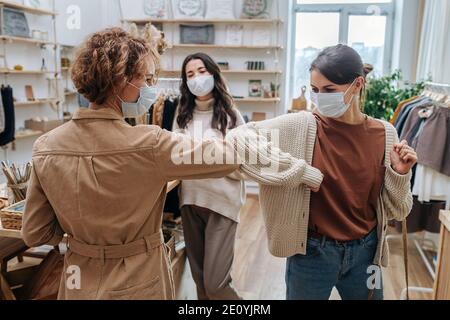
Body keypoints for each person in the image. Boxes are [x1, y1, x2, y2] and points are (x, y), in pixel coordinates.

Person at [21, 28, 241, 300]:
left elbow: (35, 232)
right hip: (137, 279)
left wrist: (83, 241)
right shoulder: (150, 143)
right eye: (145, 79)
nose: (150, 88)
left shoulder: (46, 147)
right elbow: (228, 157)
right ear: (122, 81)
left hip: (77, 280)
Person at [227, 44, 417, 300]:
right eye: (315, 90)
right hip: (311, 254)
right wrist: (300, 171)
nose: (319, 98)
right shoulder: (300, 125)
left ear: (358, 84)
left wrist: (399, 173)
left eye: (329, 90)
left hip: (367, 254)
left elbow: (399, 209)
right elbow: (238, 137)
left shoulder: (385, 134)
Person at [173, 53, 245, 300]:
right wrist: (209, 157)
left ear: (214, 73)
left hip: (222, 204)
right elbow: (175, 157)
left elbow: (243, 163)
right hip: (190, 202)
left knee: (216, 285)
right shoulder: (182, 115)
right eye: (190, 74)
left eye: (202, 71)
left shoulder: (231, 115)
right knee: (201, 282)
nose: (197, 78)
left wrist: (202, 159)